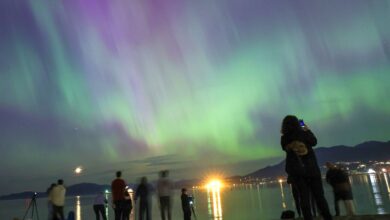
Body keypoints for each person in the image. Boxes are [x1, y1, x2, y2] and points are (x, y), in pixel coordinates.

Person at [280, 115, 332, 220]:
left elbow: (285, 149)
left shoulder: (284, 138)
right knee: (319, 198)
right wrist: (306, 129)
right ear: (297, 123)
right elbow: (314, 141)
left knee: (304, 200)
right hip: (312, 169)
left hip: (297, 172)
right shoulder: (304, 134)